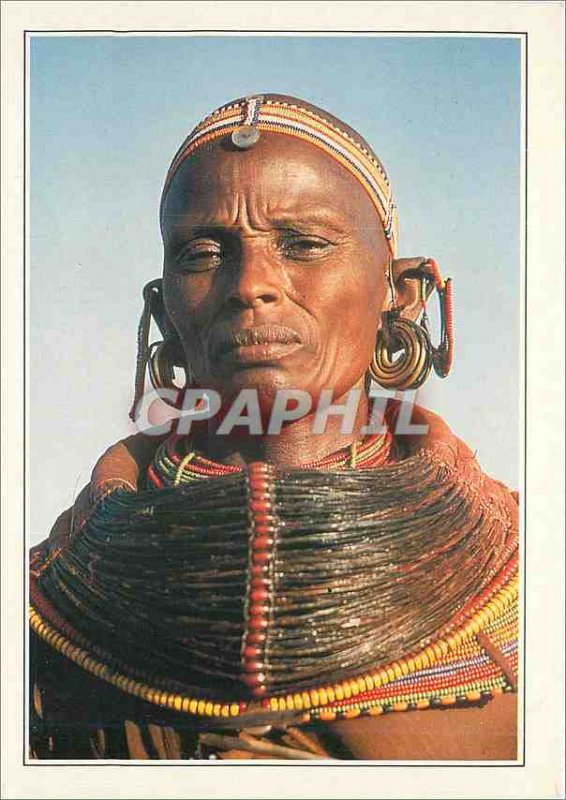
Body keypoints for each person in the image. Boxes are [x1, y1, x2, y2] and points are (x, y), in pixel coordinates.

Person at [29, 94, 518, 760]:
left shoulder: (526, 584)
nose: (251, 285)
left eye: (304, 245)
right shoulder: (48, 609)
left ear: (398, 291)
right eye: (203, 253)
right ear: (163, 305)